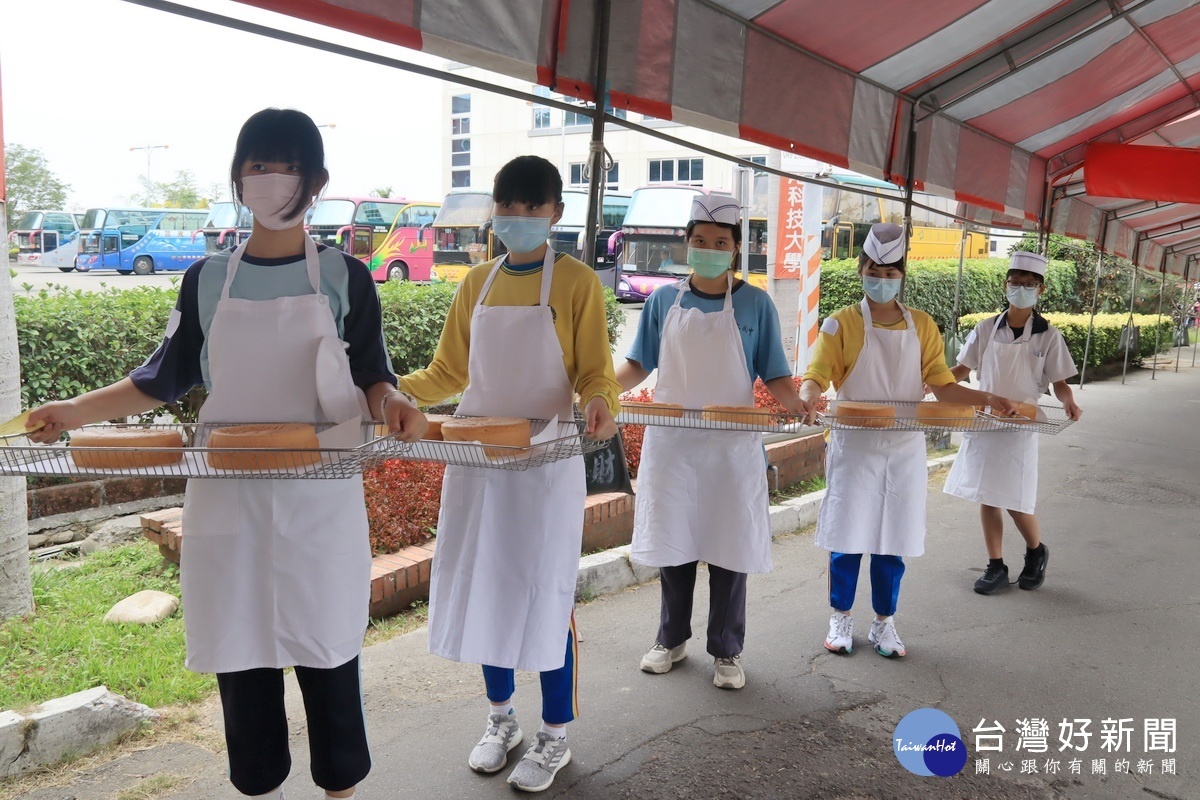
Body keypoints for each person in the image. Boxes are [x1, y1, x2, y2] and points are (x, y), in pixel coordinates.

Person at [27, 108, 428, 800]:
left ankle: (341, 789)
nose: (273, 180)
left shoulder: (346, 278)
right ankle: (259, 787)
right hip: (230, 500)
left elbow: (372, 377)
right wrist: (70, 412)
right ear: (239, 179)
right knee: (243, 666)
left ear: (318, 181)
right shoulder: (208, 280)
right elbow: (160, 378)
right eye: (257, 165)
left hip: (318, 498)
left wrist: (394, 404)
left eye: (289, 166)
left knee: (329, 657)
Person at [398, 155, 620, 793]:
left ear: (554, 212)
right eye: (507, 207)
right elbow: (447, 374)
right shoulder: (477, 283)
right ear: (493, 210)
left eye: (531, 208)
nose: (517, 219)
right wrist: (390, 391)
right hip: (481, 462)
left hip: (546, 463)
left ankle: (554, 736)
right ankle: (502, 721)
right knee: (485, 584)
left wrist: (600, 400)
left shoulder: (577, 283)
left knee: (545, 594)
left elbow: (594, 372)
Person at [616, 194, 809, 690]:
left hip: (730, 447)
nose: (708, 249)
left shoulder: (755, 303)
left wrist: (799, 403)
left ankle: (727, 650)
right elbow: (638, 363)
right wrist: (598, 390)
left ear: (735, 250)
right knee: (673, 544)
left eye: (719, 243)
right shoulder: (663, 300)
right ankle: (670, 639)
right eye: (699, 241)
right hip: (674, 446)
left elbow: (777, 374)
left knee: (728, 549)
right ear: (687, 244)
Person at [798, 223, 1014, 659]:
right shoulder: (841, 323)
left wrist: (987, 397)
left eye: (891, 271)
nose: (882, 278)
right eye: (874, 269)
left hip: (903, 450)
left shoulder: (923, 326)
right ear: (861, 269)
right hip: (855, 446)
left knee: (892, 540)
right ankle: (840, 616)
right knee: (848, 535)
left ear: (902, 274)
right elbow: (816, 375)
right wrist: (808, 394)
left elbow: (943, 386)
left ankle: (884, 623)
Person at [943, 251, 1082, 595]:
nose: (1021, 289)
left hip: (1022, 423)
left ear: (1041, 290)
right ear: (1006, 285)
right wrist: (933, 381)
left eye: (1029, 285)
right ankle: (995, 565)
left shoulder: (1048, 335)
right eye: (1016, 283)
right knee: (988, 497)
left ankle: (1036, 551)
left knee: (1017, 499)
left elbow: (1060, 381)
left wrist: (1069, 402)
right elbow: (961, 370)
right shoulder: (986, 329)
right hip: (985, 420)